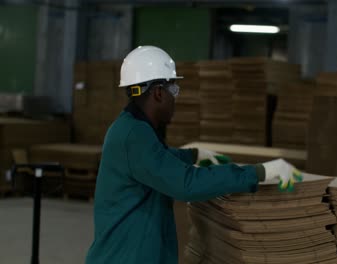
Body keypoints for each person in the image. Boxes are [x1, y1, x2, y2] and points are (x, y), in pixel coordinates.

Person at [85, 46, 302, 264]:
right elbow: (186, 184)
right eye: (174, 91)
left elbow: (158, 160)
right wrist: (259, 172)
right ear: (159, 93)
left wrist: (194, 155)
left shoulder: (129, 127)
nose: (175, 98)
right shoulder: (134, 135)